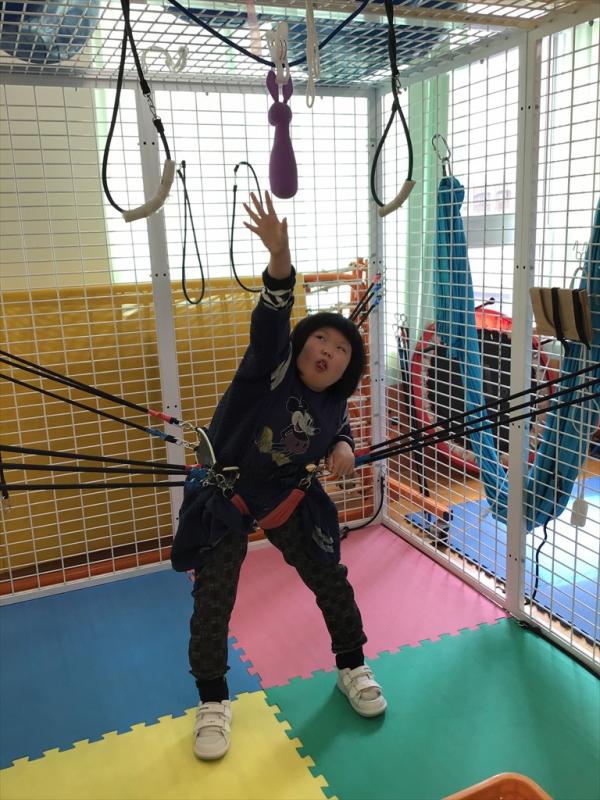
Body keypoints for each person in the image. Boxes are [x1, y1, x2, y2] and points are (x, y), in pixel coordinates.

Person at [171, 191, 386, 762]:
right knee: (213, 599)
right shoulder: (269, 368)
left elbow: (339, 427)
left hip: (289, 497)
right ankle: (212, 699)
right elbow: (270, 324)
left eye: (342, 350)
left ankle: (352, 665)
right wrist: (280, 263)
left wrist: (343, 446)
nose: (329, 350)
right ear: (301, 342)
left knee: (330, 577)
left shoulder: (333, 404)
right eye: (321, 338)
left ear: (346, 372)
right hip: (225, 495)